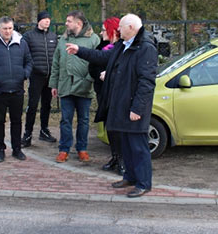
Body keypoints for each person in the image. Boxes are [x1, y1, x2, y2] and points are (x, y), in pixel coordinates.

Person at [65, 13, 157, 197]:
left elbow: (146, 81)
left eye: (121, 27)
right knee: (126, 145)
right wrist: (79, 50)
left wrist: (137, 108)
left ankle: (143, 182)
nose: (118, 30)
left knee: (138, 147)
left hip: (133, 107)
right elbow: (102, 56)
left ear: (131, 28)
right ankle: (130, 176)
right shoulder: (123, 45)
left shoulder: (145, 48)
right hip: (120, 104)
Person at [0, 16, 33, 163]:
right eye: (5, 29)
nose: (8, 31)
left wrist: (24, 74)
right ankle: (0, 149)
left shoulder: (22, 44)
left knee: (16, 121)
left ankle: (17, 149)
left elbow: (29, 61)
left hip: (17, 90)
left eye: (10, 28)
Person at [49, 10, 100, 163]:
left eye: (69, 21)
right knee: (65, 120)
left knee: (84, 120)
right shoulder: (63, 39)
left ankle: (82, 149)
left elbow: (98, 63)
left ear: (79, 23)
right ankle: (64, 149)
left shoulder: (93, 39)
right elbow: (56, 62)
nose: (66, 23)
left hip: (84, 87)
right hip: (65, 86)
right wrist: (54, 84)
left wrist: (89, 79)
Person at [88, 17, 125, 175]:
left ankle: (123, 160)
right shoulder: (102, 45)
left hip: (116, 93)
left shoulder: (121, 48)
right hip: (103, 90)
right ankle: (115, 157)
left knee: (118, 127)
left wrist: (109, 74)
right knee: (109, 126)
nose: (101, 32)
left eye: (104, 29)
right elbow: (94, 63)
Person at [21, 11, 58, 147]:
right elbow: (23, 54)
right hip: (36, 76)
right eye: (44, 19)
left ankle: (44, 130)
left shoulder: (53, 36)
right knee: (32, 105)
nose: (47, 21)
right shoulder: (29, 36)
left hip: (50, 76)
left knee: (47, 105)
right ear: (39, 21)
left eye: (49, 19)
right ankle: (27, 133)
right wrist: (28, 70)